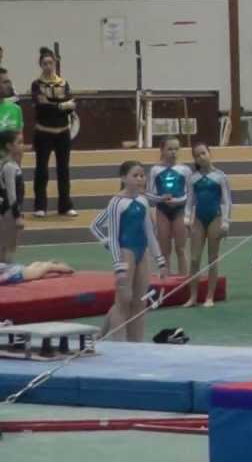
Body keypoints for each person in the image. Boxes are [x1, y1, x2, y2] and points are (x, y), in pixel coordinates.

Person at [89, 161, 167, 342]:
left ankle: (136, 344)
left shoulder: (143, 200)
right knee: (123, 301)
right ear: (123, 178)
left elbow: (149, 232)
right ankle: (120, 344)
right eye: (135, 175)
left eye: (142, 175)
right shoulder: (117, 203)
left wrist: (160, 260)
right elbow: (114, 236)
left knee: (141, 301)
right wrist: (118, 265)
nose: (140, 179)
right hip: (126, 252)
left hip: (142, 252)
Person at [184, 141, 232, 308]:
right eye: (197, 155)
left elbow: (226, 201)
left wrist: (226, 222)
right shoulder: (193, 178)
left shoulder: (220, 176)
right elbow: (190, 200)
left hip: (215, 218)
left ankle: (209, 296)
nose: (201, 157)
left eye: (203, 153)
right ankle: (193, 296)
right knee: (195, 258)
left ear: (209, 153)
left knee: (212, 259)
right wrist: (187, 218)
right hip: (198, 219)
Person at [30, 47, 76, 217]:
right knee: (41, 169)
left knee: (63, 170)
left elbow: (70, 107)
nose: (48, 66)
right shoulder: (36, 85)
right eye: (45, 63)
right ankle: (40, 206)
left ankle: (65, 205)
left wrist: (62, 106)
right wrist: (61, 105)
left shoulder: (63, 83)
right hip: (43, 132)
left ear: (55, 63)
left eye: (50, 63)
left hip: (62, 132)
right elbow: (41, 106)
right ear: (40, 65)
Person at [147, 137, 192, 277]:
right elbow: (149, 194)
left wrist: (179, 202)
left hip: (180, 210)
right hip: (162, 211)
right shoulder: (155, 169)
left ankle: (184, 278)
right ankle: (165, 279)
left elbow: (190, 194)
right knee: (164, 249)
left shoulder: (185, 169)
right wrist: (160, 199)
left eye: (176, 149)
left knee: (181, 248)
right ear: (162, 150)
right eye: (170, 149)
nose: (173, 152)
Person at [0, 130, 22, 263]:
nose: (21, 145)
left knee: (5, 246)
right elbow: (11, 194)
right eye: (19, 142)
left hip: (7, 210)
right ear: (9, 146)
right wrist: (17, 216)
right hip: (9, 211)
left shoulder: (9, 164)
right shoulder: (9, 166)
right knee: (8, 247)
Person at [0, 260, 74, 284]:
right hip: (18, 270)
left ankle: (67, 268)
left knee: (45, 268)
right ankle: (55, 265)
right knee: (37, 266)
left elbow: (4, 277)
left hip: (20, 273)